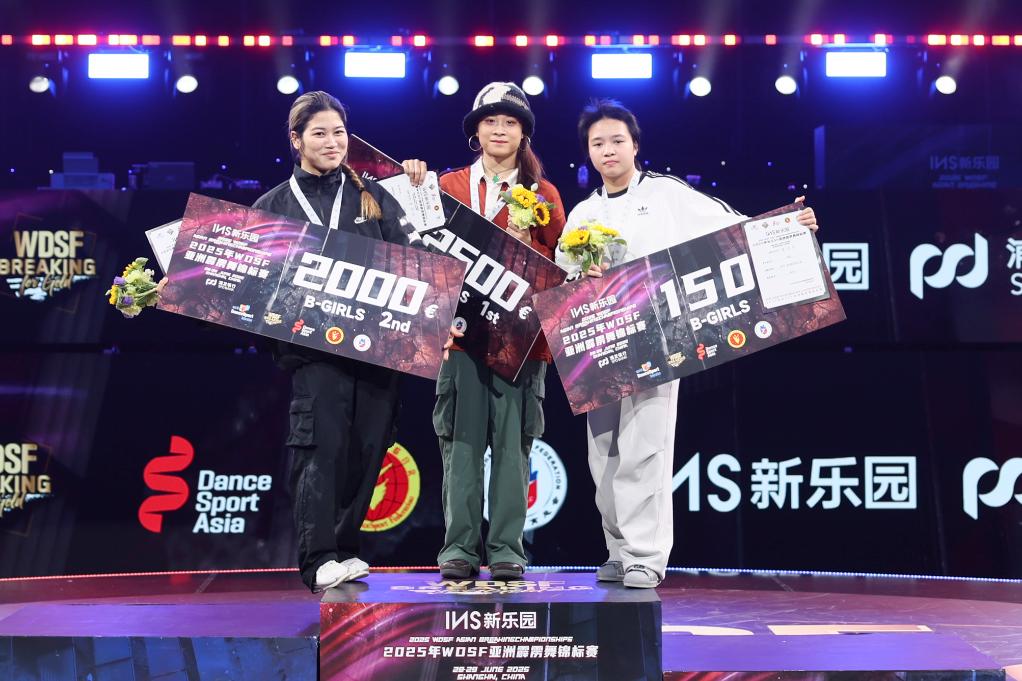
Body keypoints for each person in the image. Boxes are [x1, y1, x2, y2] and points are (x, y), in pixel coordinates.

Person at [557, 99, 819, 588]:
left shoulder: (667, 194)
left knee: (645, 448)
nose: (608, 150)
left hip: (657, 338)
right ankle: (617, 550)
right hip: (601, 345)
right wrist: (579, 275)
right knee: (602, 454)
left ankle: (645, 556)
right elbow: (563, 277)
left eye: (617, 140)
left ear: (635, 145)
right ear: (587, 153)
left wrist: (788, 227)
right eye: (598, 143)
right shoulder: (583, 213)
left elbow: (732, 227)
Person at [251, 90, 427, 592]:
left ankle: (346, 549)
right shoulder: (273, 206)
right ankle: (318, 558)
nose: (332, 142)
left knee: (367, 451)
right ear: (296, 139)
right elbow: (251, 286)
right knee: (320, 450)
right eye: (320, 133)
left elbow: (414, 267)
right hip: (315, 355)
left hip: (376, 354)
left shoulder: (374, 197)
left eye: (339, 133)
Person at [427, 82, 566, 581]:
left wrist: (528, 246)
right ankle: (459, 550)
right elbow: (424, 256)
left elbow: (559, 268)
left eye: (510, 122)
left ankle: (507, 549)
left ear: (524, 133)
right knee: (461, 443)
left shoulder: (544, 194)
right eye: (490, 120)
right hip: (460, 337)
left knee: (513, 445)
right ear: (476, 130)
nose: (500, 129)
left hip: (520, 343)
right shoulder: (448, 187)